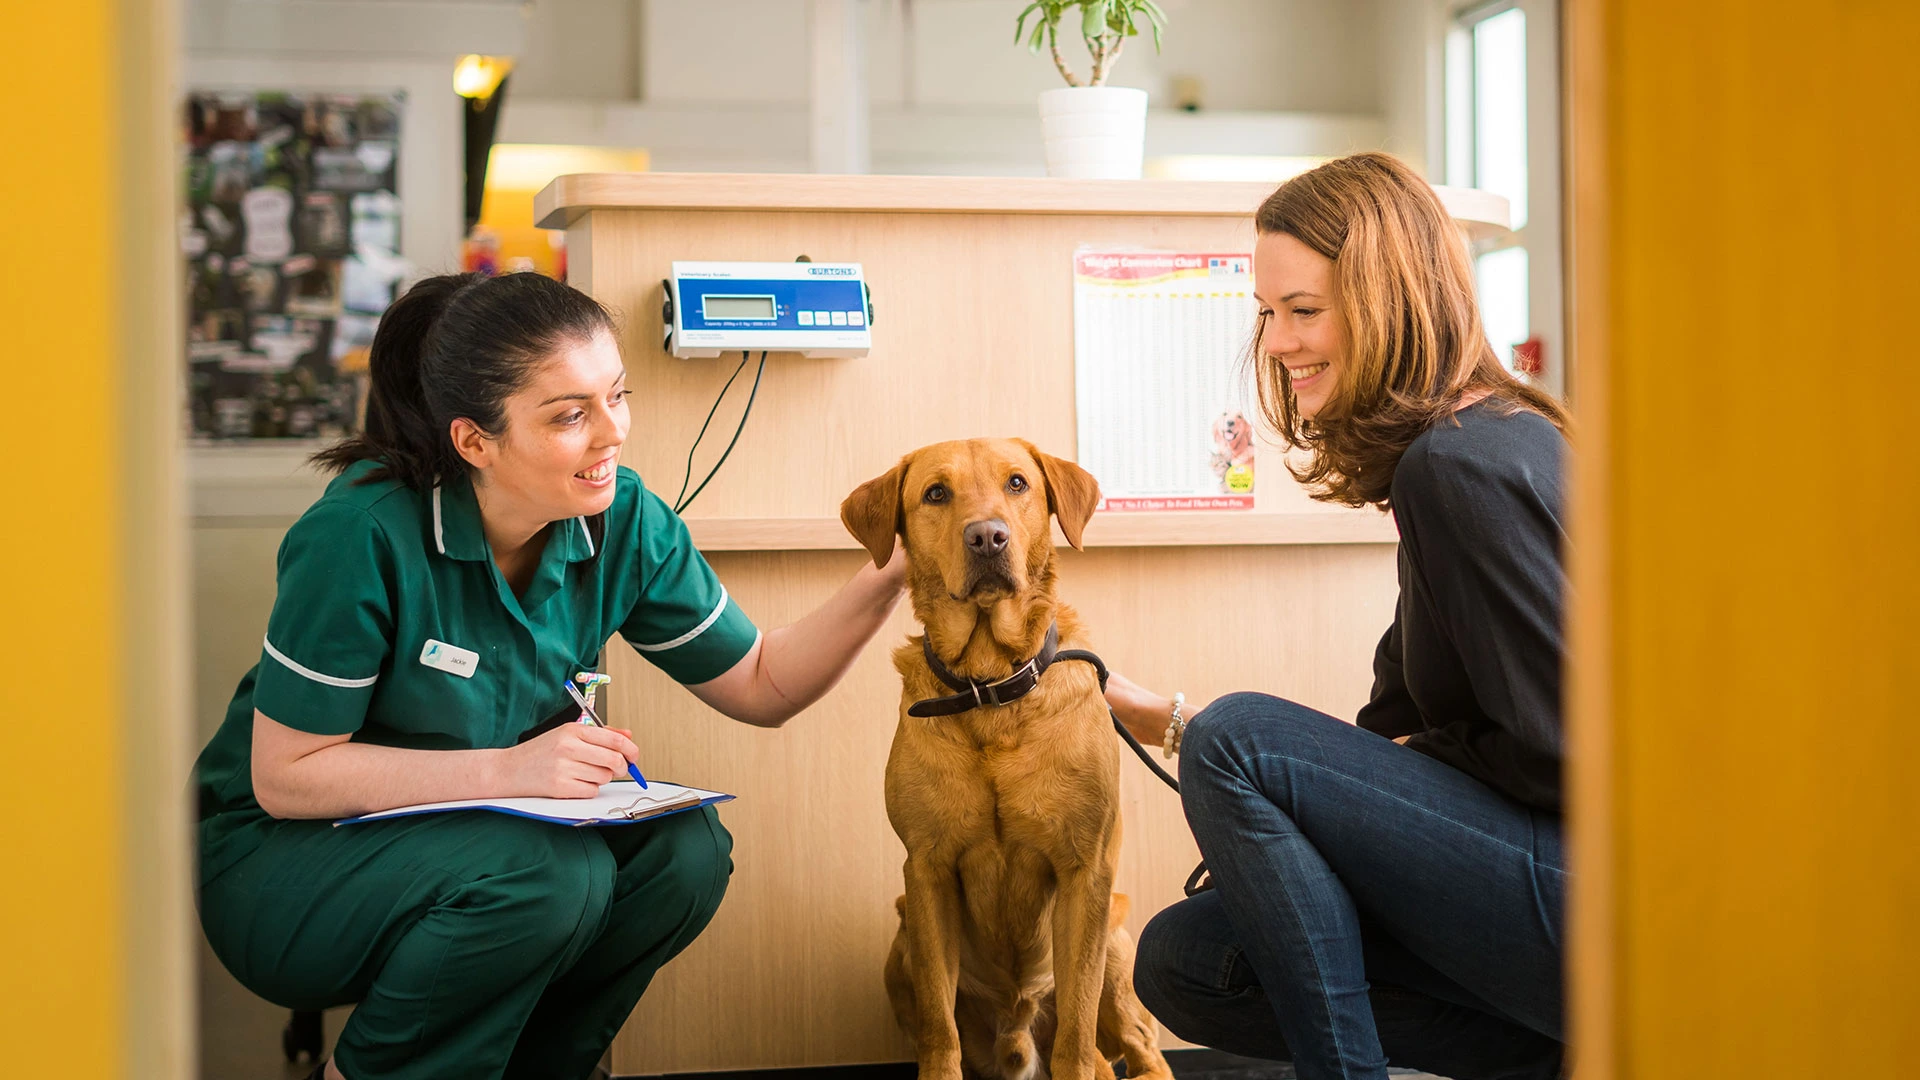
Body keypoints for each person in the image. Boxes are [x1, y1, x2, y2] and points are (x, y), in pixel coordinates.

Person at [193, 271, 907, 1080]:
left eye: (617, 396)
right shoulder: (360, 536)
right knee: (545, 878)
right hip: (285, 862)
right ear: (474, 441)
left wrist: (888, 573)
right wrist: (510, 769)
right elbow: (287, 776)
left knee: (683, 853)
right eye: (571, 415)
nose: (613, 434)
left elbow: (761, 682)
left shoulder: (621, 516)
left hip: (475, 846)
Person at [1103, 153, 1571, 1080]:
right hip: (1553, 893)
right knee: (1190, 959)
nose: (1276, 343)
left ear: (1389, 302)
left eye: (1303, 311)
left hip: (1602, 899)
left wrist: (1200, 733)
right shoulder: (1457, 453)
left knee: (1234, 738)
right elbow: (1391, 731)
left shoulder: (1461, 468)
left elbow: (1567, 753)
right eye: (1267, 314)